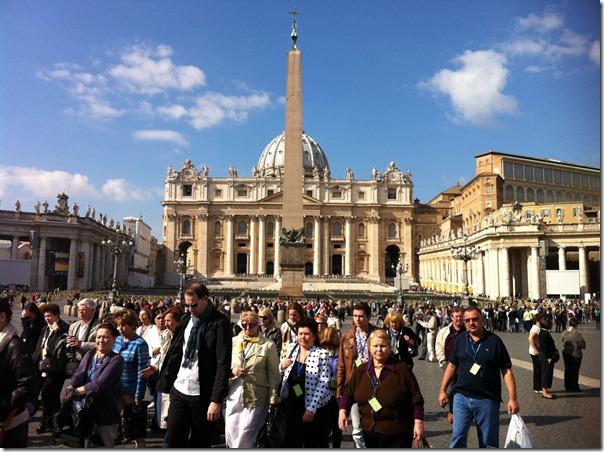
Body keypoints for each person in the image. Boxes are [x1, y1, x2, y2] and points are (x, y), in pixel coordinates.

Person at [157, 281, 231, 448]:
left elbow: (223, 363)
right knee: (173, 439)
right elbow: (175, 352)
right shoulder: (186, 319)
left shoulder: (220, 323)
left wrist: (216, 400)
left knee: (200, 442)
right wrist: (166, 379)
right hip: (180, 389)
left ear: (205, 299)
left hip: (202, 395)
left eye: (193, 305)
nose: (189, 309)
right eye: (187, 305)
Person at [438, 306, 519, 448]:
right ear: (464, 322)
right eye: (467, 320)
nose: (471, 323)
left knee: (488, 442)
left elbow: (506, 371)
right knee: (458, 438)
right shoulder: (460, 340)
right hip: (461, 397)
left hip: (487, 399)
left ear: (482, 320)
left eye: (475, 319)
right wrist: (442, 390)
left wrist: (512, 398)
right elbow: (451, 366)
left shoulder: (494, 341)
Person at [338, 329, 425, 447]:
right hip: (370, 432)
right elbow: (348, 394)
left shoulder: (402, 369)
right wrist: (343, 411)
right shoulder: (361, 371)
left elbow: (417, 399)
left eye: (383, 346)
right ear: (369, 347)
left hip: (398, 432)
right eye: (375, 346)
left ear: (389, 347)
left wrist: (418, 422)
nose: (379, 350)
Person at [225, 311, 280, 447]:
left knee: (246, 433)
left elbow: (274, 374)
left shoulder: (268, 345)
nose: (248, 328)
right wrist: (233, 370)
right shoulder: (234, 341)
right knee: (231, 430)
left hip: (256, 395)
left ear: (258, 325)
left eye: (252, 325)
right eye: (244, 325)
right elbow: (224, 364)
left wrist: (273, 398)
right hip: (235, 392)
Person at [66, 323, 124, 447]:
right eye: (98, 337)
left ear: (114, 339)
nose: (100, 340)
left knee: (103, 445)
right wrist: (71, 386)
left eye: (105, 337)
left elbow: (99, 384)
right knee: (85, 444)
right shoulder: (90, 354)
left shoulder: (116, 360)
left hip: (105, 413)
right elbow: (78, 374)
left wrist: (76, 391)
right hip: (86, 410)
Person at [280, 316, 332, 447]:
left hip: (313, 406)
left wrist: (311, 409)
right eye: (300, 334)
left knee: (313, 443)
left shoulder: (322, 354)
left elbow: (323, 383)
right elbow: (281, 373)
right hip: (292, 404)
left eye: (307, 334)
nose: (303, 337)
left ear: (314, 336)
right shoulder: (292, 348)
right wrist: (281, 366)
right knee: (291, 441)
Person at [336, 301, 379, 448]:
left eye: (361, 316)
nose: (357, 319)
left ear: (368, 316)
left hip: (374, 386)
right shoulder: (346, 336)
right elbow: (341, 365)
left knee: (375, 420)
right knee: (356, 427)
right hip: (354, 386)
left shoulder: (378, 334)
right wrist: (339, 389)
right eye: (354, 316)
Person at [0, 297, 39, 447]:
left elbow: (28, 385)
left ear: (2, 317)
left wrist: (3, 405)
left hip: (10, 423)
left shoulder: (15, 345)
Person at [113, 309, 150, 447]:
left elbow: (142, 372)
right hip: (116, 388)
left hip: (131, 390)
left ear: (132, 325)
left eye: (123, 325)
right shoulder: (117, 340)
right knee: (116, 419)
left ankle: (139, 445)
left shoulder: (140, 344)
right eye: (118, 325)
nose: (119, 329)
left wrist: (138, 395)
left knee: (134, 424)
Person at [35, 302, 69, 433]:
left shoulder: (64, 328)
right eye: (45, 316)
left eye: (49, 316)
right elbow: (39, 347)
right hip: (43, 367)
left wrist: (57, 330)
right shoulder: (45, 329)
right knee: (47, 396)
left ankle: (51, 423)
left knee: (48, 394)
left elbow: (63, 349)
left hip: (56, 369)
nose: (47, 319)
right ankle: (51, 422)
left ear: (57, 315)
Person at [435, 306, 465, 424]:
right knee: (451, 389)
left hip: (465, 364)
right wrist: (442, 361)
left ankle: (463, 411)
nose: (458, 319)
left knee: (466, 388)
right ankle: (452, 410)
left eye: (460, 316)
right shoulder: (444, 332)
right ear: (452, 317)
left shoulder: (468, 331)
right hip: (448, 364)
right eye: (456, 316)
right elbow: (438, 345)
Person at [320, 326, 342, 448]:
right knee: (324, 429)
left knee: (337, 428)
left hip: (338, 395)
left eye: (330, 344)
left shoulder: (341, 353)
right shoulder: (319, 351)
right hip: (322, 396)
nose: (327, 347)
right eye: (325, 344)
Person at [66, 298, 101, 366]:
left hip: (92, 363)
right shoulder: (73, 326)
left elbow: (102, 345)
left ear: (93, 311)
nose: (80, 312)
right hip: (75, 363)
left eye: (84, 310)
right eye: (79, 309)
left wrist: (81, 344)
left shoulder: (100, 327)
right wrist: (68, 341)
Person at [561, 317, 586, 392]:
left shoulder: (565, 332)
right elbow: (583, 345)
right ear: (576, 325)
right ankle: (575, 387)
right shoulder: (577, 334)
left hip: (566, 353)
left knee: (567, 369)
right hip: (575, 354)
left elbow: (562, 339)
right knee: (575, 371)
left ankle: (567, 386)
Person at [537, 316, 556, 399]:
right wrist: (549, 357)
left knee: (545, 372)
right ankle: (544, 392)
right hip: (545, 356)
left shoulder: (542, 332)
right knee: (546, 373)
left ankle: (545, 389)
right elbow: (543, 347)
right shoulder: (544, 334)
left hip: (543, 356)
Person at [528, 313, 542, 394]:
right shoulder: (536, 328)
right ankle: (537, 387)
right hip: (535, 352)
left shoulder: (535, 327)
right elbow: (530, 338)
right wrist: (536, 349)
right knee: (538, 369)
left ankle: (537, 386)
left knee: (538, 369)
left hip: (533, 351)